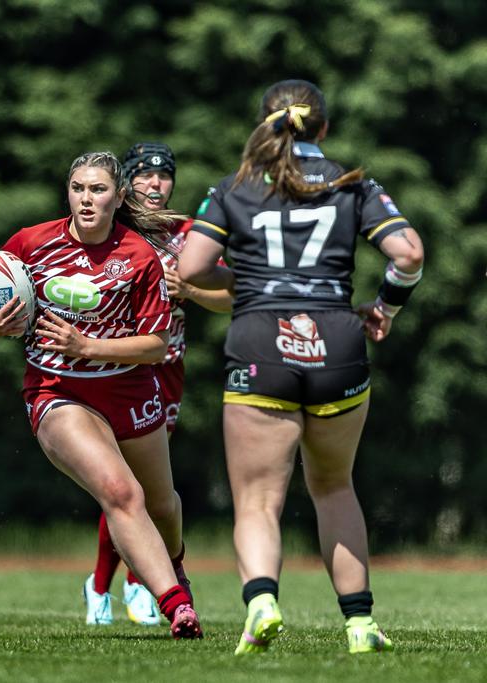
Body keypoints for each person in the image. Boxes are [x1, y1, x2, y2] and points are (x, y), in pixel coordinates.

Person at [178, 79, 424, 655]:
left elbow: (190, 267)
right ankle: (360, 626)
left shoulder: (234, 188)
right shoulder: (350, 182)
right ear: (325, 128)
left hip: (262, 342)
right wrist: (386, 307)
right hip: (338, 343)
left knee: (258, 498)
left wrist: (253, 281)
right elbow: (408, 253)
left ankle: (261, 603)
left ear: (267, 126)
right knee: (335, 486)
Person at [0, 151, 203, 639]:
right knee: (120, 492)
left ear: (118, 196)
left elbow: (157, 346)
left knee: (162, 506)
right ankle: (177, 607)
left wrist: (87, 345)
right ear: (67, 192)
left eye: (97, 189)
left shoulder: (138, 255)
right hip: (57, 391)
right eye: (78, 188)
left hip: (131, 389)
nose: (86, 198)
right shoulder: (33, 242)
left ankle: (174, 566)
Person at [83, 143, 233, 627]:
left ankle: (128, 585)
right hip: (115, 369)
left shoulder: (188, 236)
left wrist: (189, 289)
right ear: (126, 186)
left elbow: (233, 294)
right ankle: (110, 586)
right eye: (144, 177)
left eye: (164, 176)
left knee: (144, 488)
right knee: (125, 485)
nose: (155, 184)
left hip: (165, 369)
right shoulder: (115, 231)